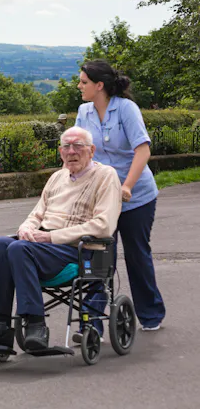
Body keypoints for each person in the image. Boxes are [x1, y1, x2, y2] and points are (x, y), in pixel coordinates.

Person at [0, 127, 121, 351]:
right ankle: (1, 326)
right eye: (66, 147)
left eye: (78, 146)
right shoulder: (56, 178)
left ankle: (36, 326)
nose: (71, 151)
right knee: (2, 244)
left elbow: (104, 225)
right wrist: (27, 228)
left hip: (78, 251)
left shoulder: (105, 176)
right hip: (43, 250)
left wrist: (51, 237)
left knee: (19, 249)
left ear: (91, 150)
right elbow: (37, 214)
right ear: (60, 152)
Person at [75, 59, 166, 335]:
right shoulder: (84, 112)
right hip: (102, 198)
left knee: (137, 255)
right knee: (98, 257)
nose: (79, 86)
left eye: (83, 82)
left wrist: (126, 186)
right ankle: (92, 326)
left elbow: (142, 151)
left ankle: (150, 314)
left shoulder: (126, 109)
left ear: (99, 85)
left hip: (136, 196)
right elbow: (80, 151)